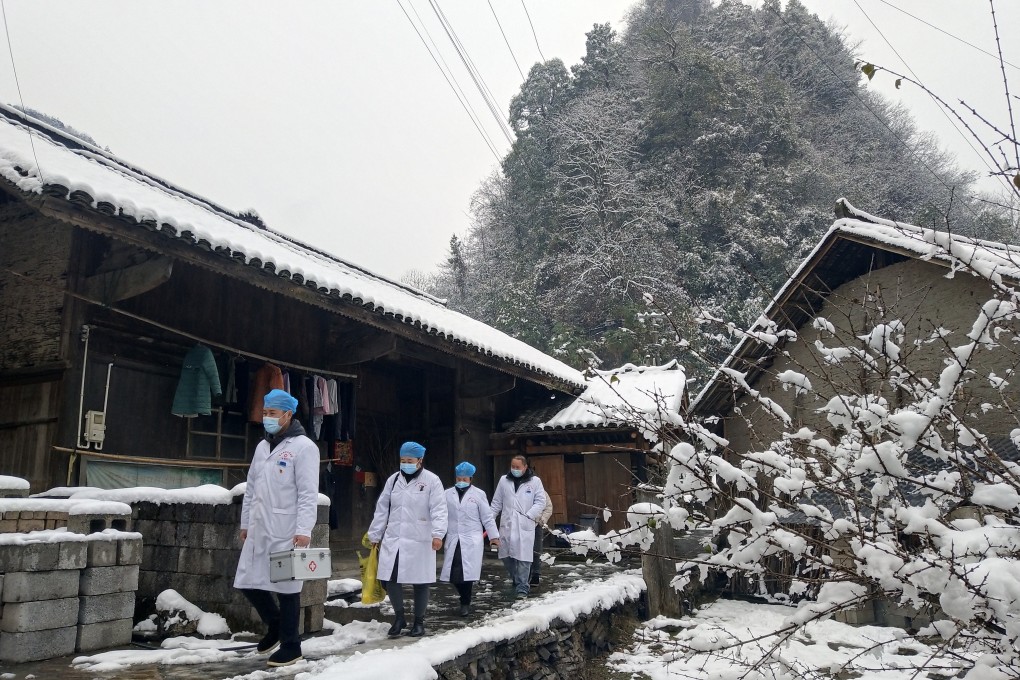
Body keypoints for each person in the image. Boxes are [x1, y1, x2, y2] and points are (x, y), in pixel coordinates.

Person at [234, 389, 319, 667]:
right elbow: (251, 488)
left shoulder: (304, 447)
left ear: (288, 415)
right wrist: (246, 523)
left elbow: (308, 493)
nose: (267, 417)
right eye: (265, 412)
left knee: (287, 587)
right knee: (247, 581)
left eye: (272, 413)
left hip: (287, 529)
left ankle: (291, 646)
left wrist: (304, 529)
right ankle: (275, 624)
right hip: (259, 527)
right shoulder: (262, 446)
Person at [368, 441, 447, 637]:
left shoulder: (432, 480)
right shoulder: (393, 480)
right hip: (395, 537)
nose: (405, 464)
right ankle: (399, 618)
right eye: (403, 460)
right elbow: (382, 508)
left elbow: (439, 509)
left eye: (410, 461)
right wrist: (375, 534)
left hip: (420, 539)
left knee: (421, 581)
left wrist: (438, 534)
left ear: (420, 460)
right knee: (391, 578)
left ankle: (419, 622)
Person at [439, 461, 500, 617]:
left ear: (471, 479)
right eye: (459, 479)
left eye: (464, 479)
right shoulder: (446, 494)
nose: (461, 482)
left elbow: (487, 517)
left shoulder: (479, 494)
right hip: (454, 537)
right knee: (454, 573)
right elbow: (440, 515)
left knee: (466, 574)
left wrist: (494, 537)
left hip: (471, 538)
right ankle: (463, 597)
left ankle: (465, 602)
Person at [490, 455, 547, 599]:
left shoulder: (535, 482)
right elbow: (496, 503)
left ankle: (522, 587)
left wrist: (529, 515)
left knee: (524, 558)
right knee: (505, 555)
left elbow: (541, 502)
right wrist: (489, 520)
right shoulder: (504, 480)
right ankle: (516, 578)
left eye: (517, 467)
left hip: (525, 525)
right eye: (512, 466)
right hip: (507, 525)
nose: (514, 469)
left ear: (525, 467)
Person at [529, 494, 554, 588]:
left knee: (536, 550)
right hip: (521, 526)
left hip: (536, 525)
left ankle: (535, 574)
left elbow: (548, 507)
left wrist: (541, 520)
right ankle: (522, 575)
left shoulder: (541, 492)